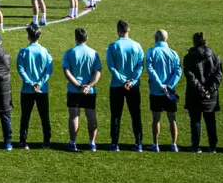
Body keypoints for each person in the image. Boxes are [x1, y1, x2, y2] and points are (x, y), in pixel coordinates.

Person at [105, 19, 144, 152]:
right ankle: (138, 143)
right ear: (129, 30)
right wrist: (131, 81)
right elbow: (140, 66)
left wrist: (122, 81)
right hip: (133, 86)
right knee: (135, 114)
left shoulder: (113, 46)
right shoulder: (137, 46)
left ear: (118, 31)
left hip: (117, 85)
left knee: (116, 115)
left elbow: (111, 67)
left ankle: (115, 143)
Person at [63, 27, 102, 152]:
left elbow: (67, 72)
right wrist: (89, 86)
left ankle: (72, 142)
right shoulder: (93, 53)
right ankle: (92, 143)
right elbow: (97, 72)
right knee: (91, 115)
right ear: (87, 38)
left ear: (75, 38)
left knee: (74, 116)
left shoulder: (69, 53)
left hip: (74, 90)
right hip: (89, 91)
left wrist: (79, 86)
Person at [183, 31, 223, 154]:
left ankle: (195, 146)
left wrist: (201, 90)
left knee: (195, 121)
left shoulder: (189, 57)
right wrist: (209, 90)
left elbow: (190, 77)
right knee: (210, 121)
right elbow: (219, 76)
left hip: (195, 94)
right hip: (211, 96)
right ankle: (212, 146)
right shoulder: (215, 57)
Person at [146, 29, 182, 152]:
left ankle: (155, 145)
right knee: (172, 118)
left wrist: (161, 85)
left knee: (156, 118)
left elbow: (151, 71)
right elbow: (178, 71)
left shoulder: (151, 52)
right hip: (170, 92)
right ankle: (174, 144)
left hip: (156, 91)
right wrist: (169, 85)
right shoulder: (173, 53)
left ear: (156, 37)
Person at [17, 24, 53, 149]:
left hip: (27, 90)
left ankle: (23, 141)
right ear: (39, 36)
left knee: (25, 116)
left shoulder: (23, 52)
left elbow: (21, 70)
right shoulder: (45, 51)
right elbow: (49, 70)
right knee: (44, 116)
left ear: (28, 36)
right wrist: (40, 83)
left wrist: (31, 83)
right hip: (42, 90)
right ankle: (47, 141)